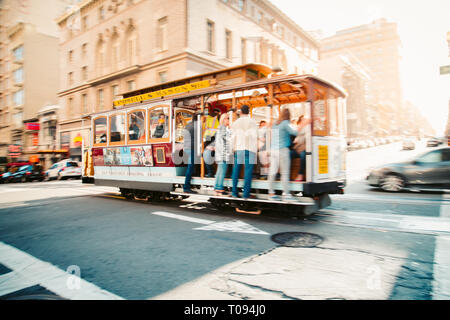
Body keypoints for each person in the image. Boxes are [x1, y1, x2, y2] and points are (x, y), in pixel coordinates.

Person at [268, 108, 299, 202]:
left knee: (272, 172)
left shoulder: (275, 124)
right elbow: (295, 132)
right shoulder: (286, 123)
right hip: (282, 150)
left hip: (273, 150)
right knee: (285, 173)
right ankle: (286, 194)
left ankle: (271, 193)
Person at [230, 105, 258, 199]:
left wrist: (232, 149)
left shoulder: (236, 123)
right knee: (248, 172)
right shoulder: (253, 122)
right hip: (250, 149)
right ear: (248, 112)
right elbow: (255, 136)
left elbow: (233, 137)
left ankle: (234, 192)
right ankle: (246, 194)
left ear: (241, 112)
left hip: (238, 148)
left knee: (236, 171)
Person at [214, 113, 232, 195]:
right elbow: (228, 139)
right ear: (224, 119)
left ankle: (217, 187)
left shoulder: (221, 128)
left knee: (220, 171)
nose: (229, 120)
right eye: (228, 118)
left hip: (220, 153)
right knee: (222, 171)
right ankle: (219, 188)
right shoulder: (223, 128)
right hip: (222, 154)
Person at [291, 115, 311, 181]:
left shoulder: (308, 128)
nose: (303, 121)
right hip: (298, 149)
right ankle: (288, 174)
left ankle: (300, 174)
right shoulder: (299, 128)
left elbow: (305, 139)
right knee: (288, 154)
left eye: (304, 119)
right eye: (302, 120)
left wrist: (298, 139)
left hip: (305, 149)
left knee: (303, 155)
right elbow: (296, 139)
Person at [183, 114, 200, 194]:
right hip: (192, 148)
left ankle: (190, 184)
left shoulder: (187, 125)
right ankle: (186, 187)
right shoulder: (197, 126)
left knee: (191, 166)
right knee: (190, 167)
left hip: (186, 148)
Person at [203, 107, 221, 178]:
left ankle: (209, 172)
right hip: (214, 137)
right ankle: (212, 172)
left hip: (207, 137)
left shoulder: (207, 118)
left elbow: (204, 128)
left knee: (205, 154)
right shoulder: (217, 118)